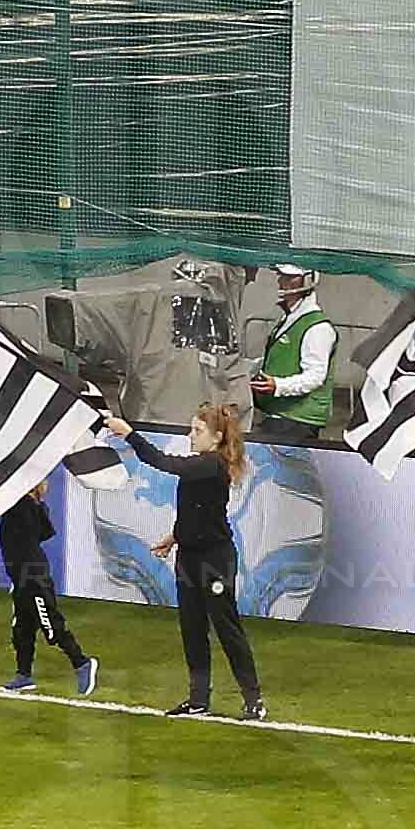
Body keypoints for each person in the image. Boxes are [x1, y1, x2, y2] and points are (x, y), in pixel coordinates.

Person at [136, 401, 268, 719]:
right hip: (189, 558)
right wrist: (175, 536)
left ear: (217, 436)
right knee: (192, 629)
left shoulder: (211, 465)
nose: (190, 435)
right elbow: (198, 511)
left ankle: (254, 700)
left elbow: (161, 461)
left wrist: (130, 434)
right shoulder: (202, 465)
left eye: (197, 430)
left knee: (226, 628)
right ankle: (198, 700)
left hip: (215, 560)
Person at [0, 438, 101, 696]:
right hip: (22, 575)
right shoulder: (32, 506)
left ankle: (82, 662)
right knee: (22, 627)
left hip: (32, 576)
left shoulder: (22, 505)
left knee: (50, 625)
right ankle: (23, 675)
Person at [252, 264, 343, 429]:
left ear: (308, 280)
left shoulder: (318, 327)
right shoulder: (289, 318)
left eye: (289, 277)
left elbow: (315, 376)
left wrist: (279, 386)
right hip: (279, 416)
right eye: (281, 276)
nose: (281, 281)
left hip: (297, 421)